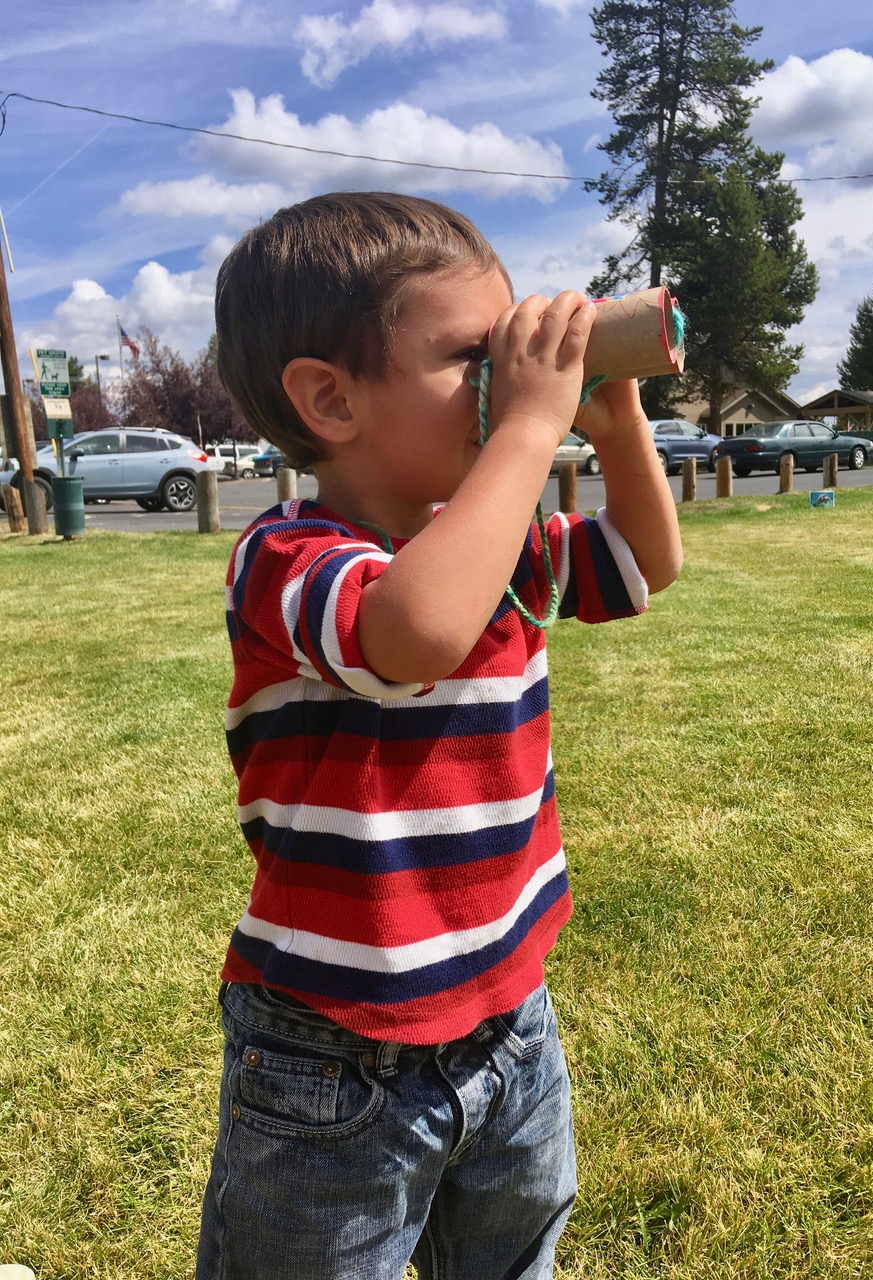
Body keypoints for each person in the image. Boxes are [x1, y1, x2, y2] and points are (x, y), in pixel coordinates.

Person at [196, 191, 683, 1280]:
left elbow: (648, 562)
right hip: (331, 1054)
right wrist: (526, 427)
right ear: (329, 398)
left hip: (511, 1013)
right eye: (478, 359)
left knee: (515, 1261)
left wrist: (614, 417)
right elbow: (413, 629)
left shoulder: (498, 538)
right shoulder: (290, 559)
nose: (514, 383)